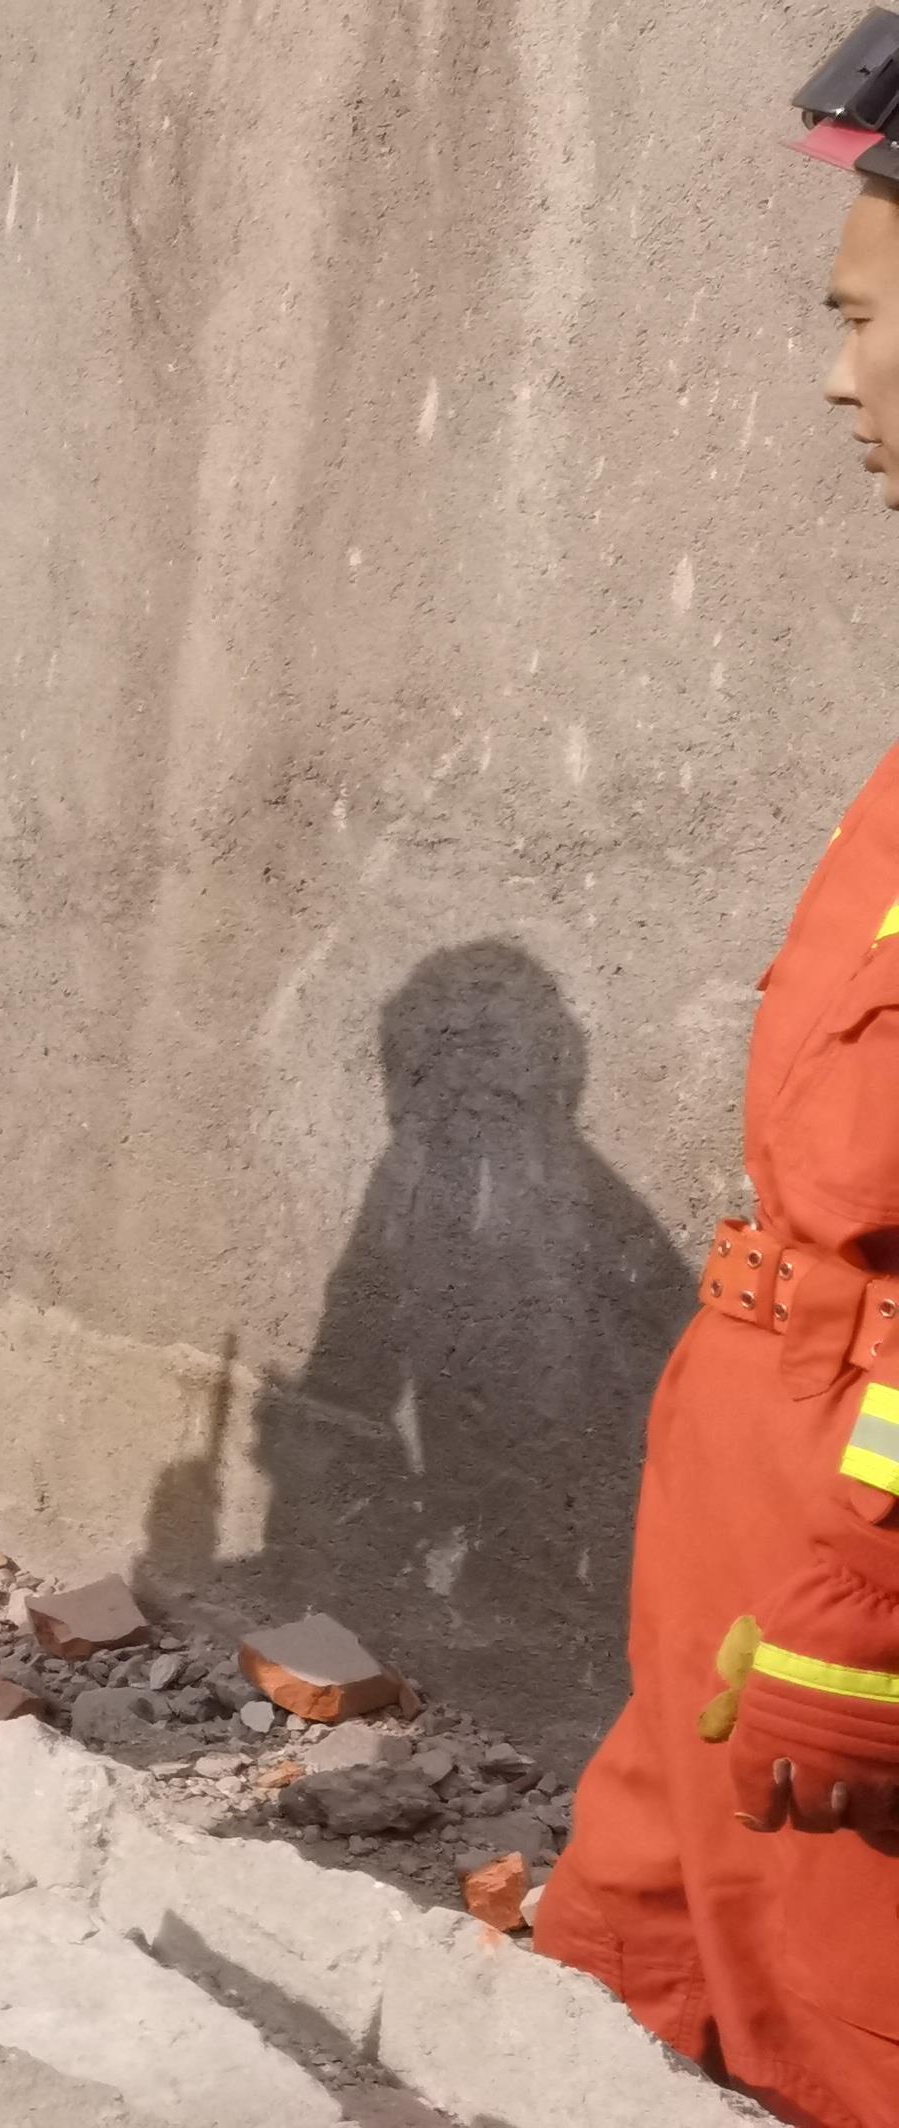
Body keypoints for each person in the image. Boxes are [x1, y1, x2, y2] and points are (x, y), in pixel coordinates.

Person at [543, 21, 899, 2118]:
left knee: (844, 2030)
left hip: (850, 1519)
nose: (838, 377)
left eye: (865, 321)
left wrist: (872, 1575)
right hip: (756, 1462)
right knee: (623, 1973)